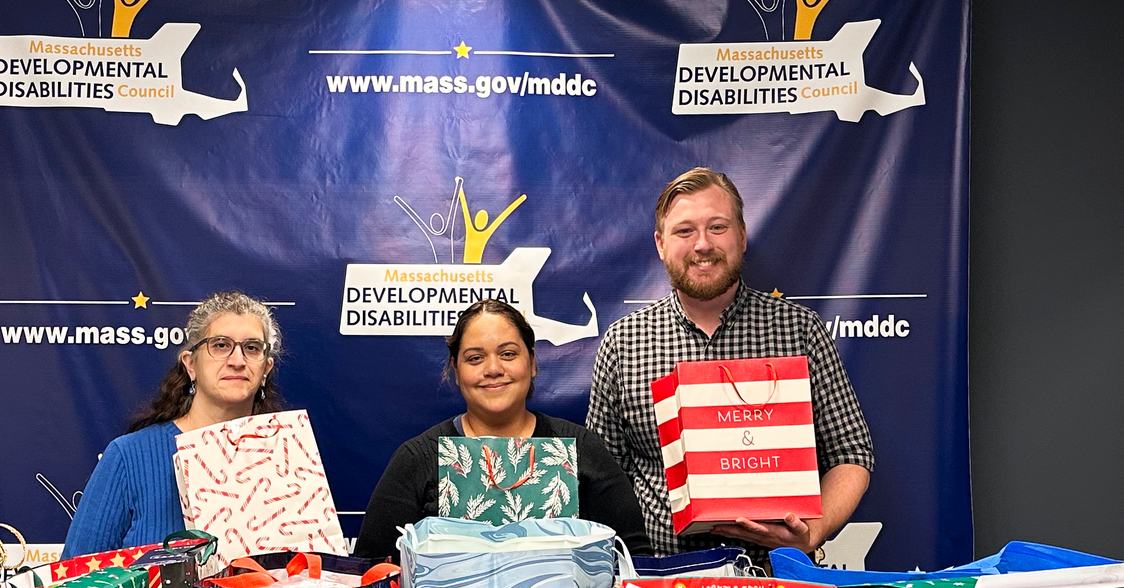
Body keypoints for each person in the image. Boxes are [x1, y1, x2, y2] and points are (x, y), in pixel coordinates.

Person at [587, 168, 873, 562]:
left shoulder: (800, 331)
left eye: (717, 227)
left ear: (741, 234)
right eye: (684, 231)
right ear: (660, 244)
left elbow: (851, 453)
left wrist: (812, 535)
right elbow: (604, 478)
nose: (702, 244)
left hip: (775, 577)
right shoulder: (623, 342)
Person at [355, 298, 650, 560]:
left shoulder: (580, 448)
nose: (493, 368)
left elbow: (635, 560)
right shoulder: (418, 458)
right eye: (475, 358)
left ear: (532, 363)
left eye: (508, 354)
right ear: (456, 371)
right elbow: (372, 571)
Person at [63, 291, 284, 556]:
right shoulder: (129, 456)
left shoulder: (288, 458)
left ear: (265, 369)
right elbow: (73, 581)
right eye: (220, 345)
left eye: (252, 348)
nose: (237, 361)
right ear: (190, 364)